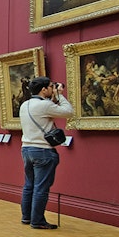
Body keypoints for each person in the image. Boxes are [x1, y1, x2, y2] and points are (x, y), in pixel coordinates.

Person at [19, 76, 73, 229]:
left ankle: (26, 217)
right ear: (43, 90)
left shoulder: (25, 104)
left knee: (29, 185)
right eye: (50, 86)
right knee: (41, 187)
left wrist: (54, 96)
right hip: (42, 150)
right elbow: (68, 112)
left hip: (26, 149)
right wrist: (60, 95)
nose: (52, 88)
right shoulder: (44, 105)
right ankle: (37, 220)